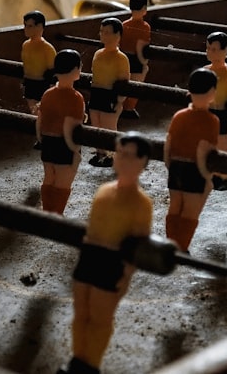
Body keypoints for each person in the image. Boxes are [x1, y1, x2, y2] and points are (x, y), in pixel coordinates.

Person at [60, 132, 153, 374]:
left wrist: (125, 276)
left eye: (129, 155)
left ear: (143, 162)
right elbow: (91, 231)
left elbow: (138, 246)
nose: (122, 159)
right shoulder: (103, 192)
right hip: (89, 255)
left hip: (113, 262)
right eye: (119, 152)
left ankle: (90, 365)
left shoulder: (141, 204)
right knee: (81, 312)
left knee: (100, 318)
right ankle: (77, 360)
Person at [164, 68, 220, 252]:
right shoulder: (212, 121)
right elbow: (206, 151)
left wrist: (169, 165)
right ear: (212, 92)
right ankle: (182, 246)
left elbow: (168, 143)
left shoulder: (178, 116)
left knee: (175, 205)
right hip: (194, 169)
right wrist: (207, 176)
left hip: (176, 166)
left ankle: (170, 244)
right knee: (190, 210)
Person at [37, 49, 86, 215]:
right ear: (74, 70)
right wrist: (74, 150)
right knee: (63, 182)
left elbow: (40, 120)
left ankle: (46, 212)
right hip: (64, 144)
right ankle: (56, 215)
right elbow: (69, 127)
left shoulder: (47, 94)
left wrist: (41, 139)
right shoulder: (75, 97)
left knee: (49, 177)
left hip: (48, 142)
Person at [87, 18, 131, 167]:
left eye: (107, 32)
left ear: (118, 35)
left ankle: (111, 154)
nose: (103, 35)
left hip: (111, 95)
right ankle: (100, 153)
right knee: (96, 125)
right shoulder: (98, 54)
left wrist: (119, 100)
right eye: (101, 32)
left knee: (109, 126)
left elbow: (124, 82)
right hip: (96, 93)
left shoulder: (121, 58)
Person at [204, 32, 227, 191]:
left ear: (225, 51)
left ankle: (222, 177)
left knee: (222, 146)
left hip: (223, 114)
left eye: (214, 49)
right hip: (207, 113)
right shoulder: (205, 71)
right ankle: (211, 173)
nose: (210, 52)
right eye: (208, 48)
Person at [119, 0, 151, 120]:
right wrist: (144, 62)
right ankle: (129, 108)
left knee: (124, 85)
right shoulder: (145, 26)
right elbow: (140, 46)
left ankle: (122, 107)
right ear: (144, 9)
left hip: (124, 57)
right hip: (136, 59)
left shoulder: (124, 24)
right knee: (136, 85)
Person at [21, 10, 57, 116]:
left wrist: (50, 90)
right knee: (32, 111)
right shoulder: (26, 45)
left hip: (42, 85)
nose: (26, 29)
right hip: (29, 83)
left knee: (41, 113)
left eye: (30, 26)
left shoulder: (47, 48)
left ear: (40, 27)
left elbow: (52, 71)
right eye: (25, 25)